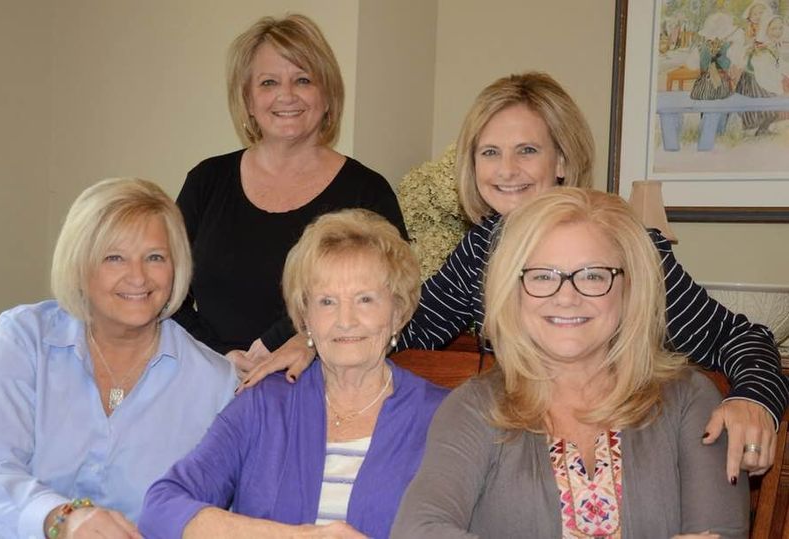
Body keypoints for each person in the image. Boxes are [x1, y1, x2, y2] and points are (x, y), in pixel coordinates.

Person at [244, 72, 789, 483]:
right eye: (490, 153)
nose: (506, 170)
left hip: (622, 467)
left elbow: (743, 339)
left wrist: (754, 400)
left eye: (527, 150)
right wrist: (309, 340)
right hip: (521, 464)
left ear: (562, 161)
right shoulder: (482, 248)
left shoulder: (622, 245)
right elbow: (407, 325)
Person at [391, 188, 749, 538]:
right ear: (512, 291)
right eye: (542, 276)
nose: (566, 297)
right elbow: (418, 529)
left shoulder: (689, 400)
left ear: (630, 289)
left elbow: (721, 533)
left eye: (593, 275)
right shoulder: (474, 408)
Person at [0, 178, 239, 539]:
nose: (138, 277)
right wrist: (62, 517)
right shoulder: (23, 338)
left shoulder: (216, 383)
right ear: (79, 265)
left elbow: (215, 516)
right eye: (114, 257)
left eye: (155, 257)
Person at [138, 209, 448, 539]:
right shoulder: (264, 404)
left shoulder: (443, 416)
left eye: (365, 299)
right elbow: (161, 508)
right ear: (304, 317)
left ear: (398, 312)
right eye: (327, 302)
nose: (345, 320)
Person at [171, 13, 407, 374]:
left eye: (303, 80)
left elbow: (394, 301)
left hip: (323, 386)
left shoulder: (367, 192)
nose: (286, 95)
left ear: (327, 96)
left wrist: (307, 338)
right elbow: (165, 295)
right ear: (248, 101)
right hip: (211, 384)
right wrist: (219, 355)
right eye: (268, 82)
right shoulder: (206, 182)